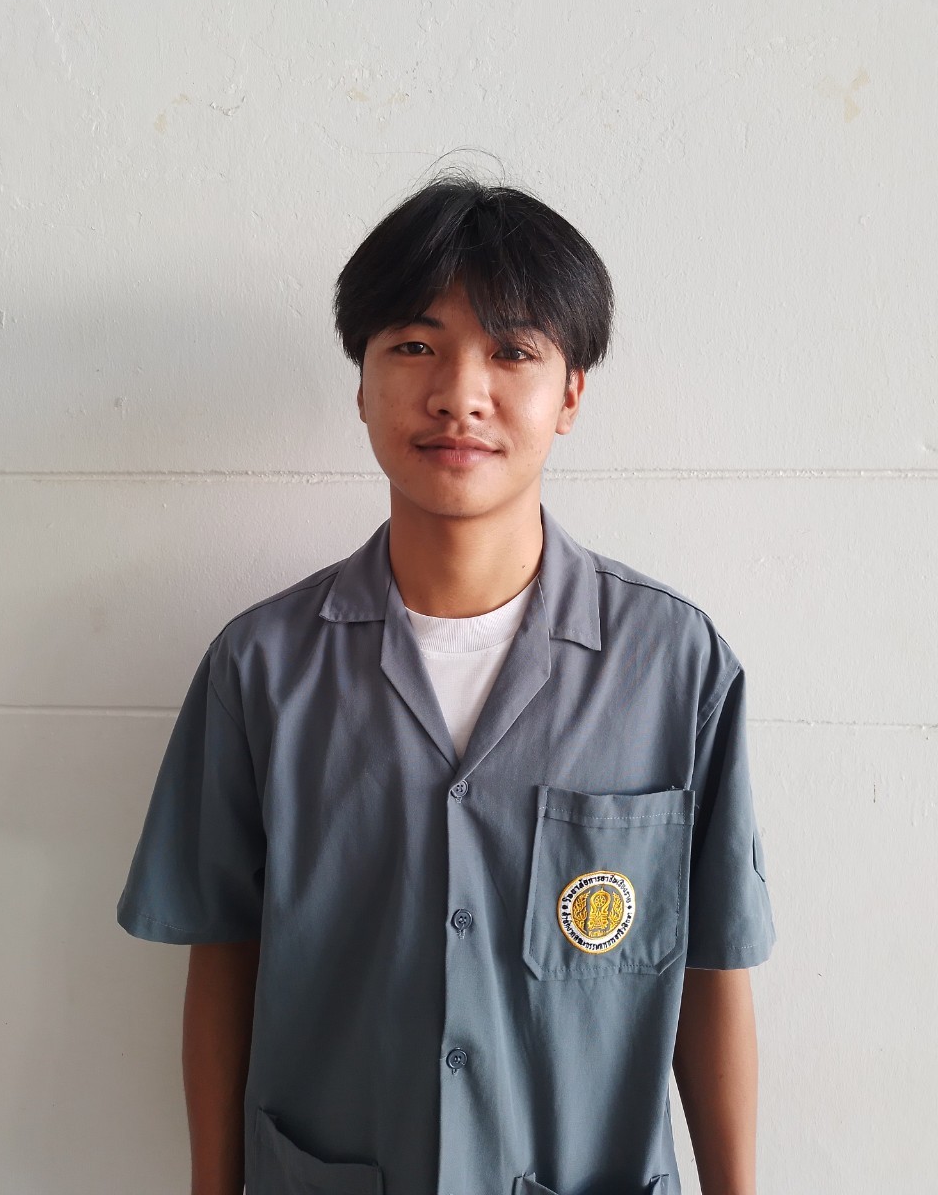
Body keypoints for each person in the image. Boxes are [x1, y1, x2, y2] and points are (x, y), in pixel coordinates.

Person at [117, 170, 776, 1195]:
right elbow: (224, 956)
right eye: (415, 346)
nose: (460, 393)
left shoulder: (674, 665)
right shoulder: (262, 669)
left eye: (512, 351)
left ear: (571, 393)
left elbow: (710, 966)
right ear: (362, 383)